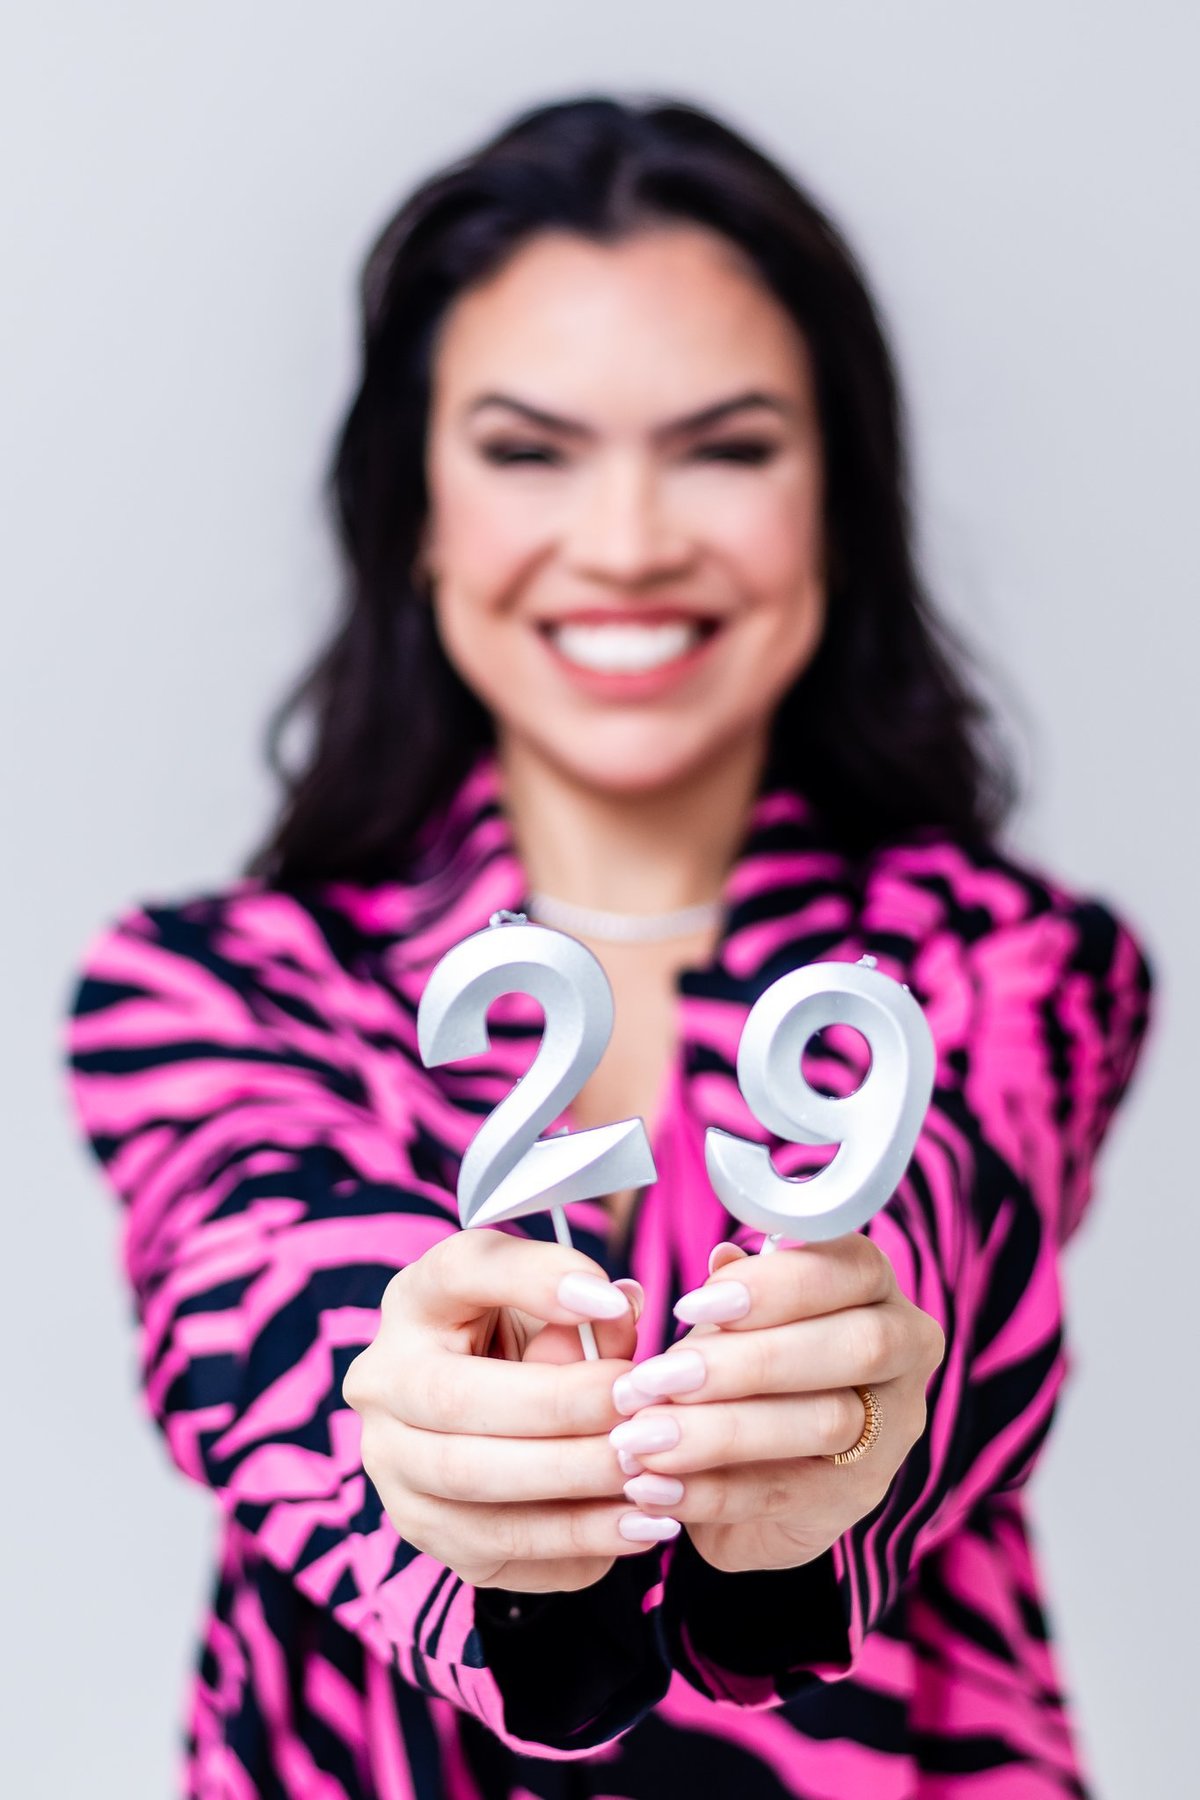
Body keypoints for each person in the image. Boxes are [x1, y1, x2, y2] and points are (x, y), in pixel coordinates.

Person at [63, 94, 1153, 1799]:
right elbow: (267, 1304)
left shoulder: (1014, 966)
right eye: (528, 451)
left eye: (727, 448)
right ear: (415, 510)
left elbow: (950, 1216)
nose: (632, 542)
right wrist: (423, 1431)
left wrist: (844, 1421)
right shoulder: (211, 994)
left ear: (837, 502)